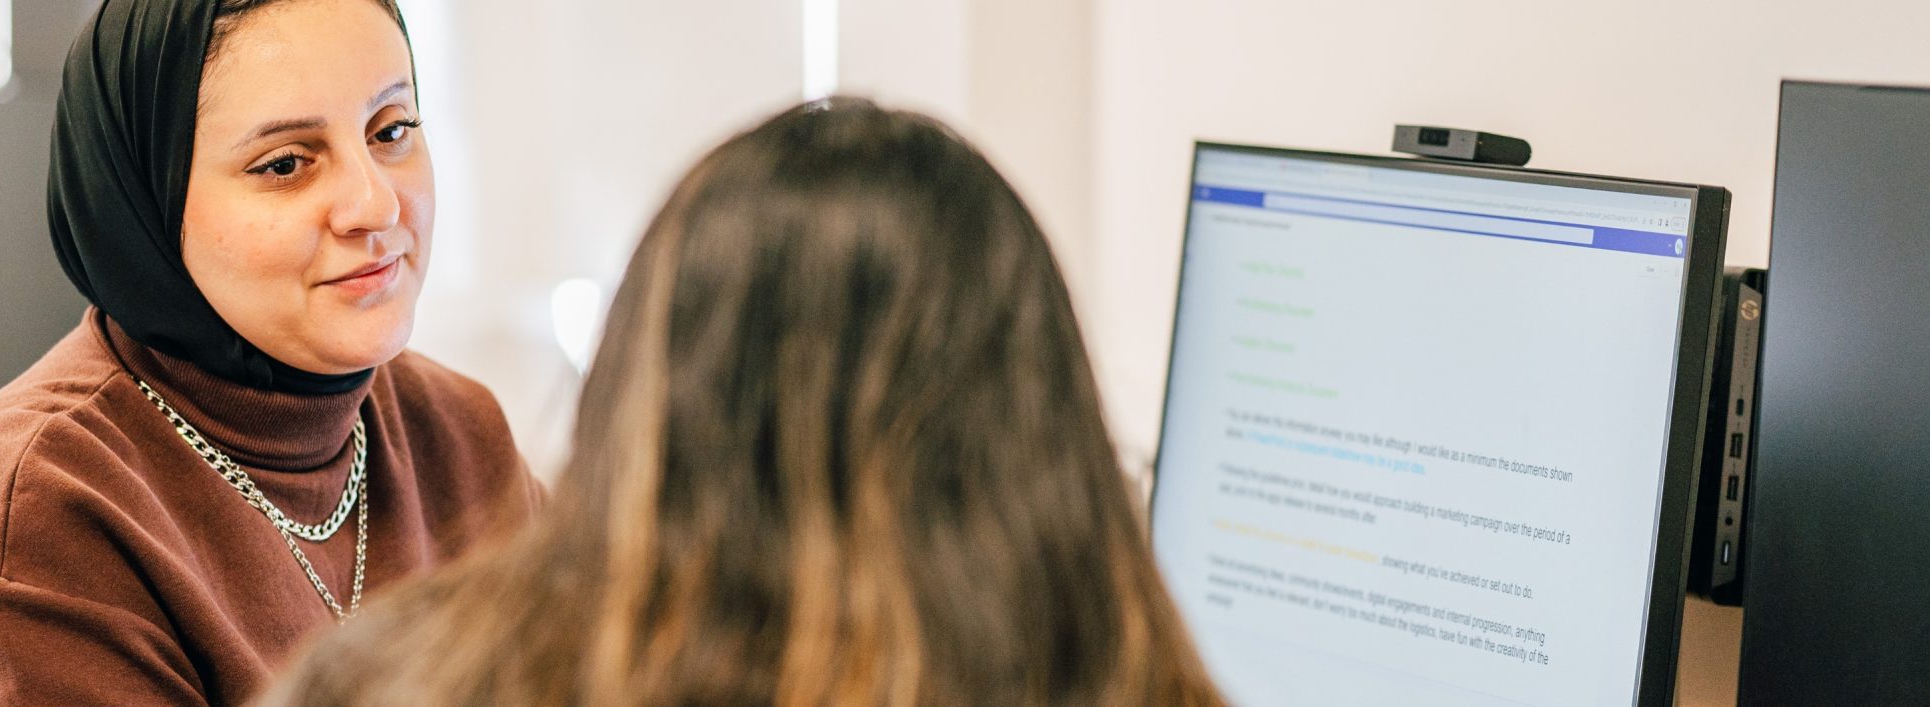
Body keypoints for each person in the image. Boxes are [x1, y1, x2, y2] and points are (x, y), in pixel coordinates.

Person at [260, 98, 1227, 706]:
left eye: (393, 132)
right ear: (1046, 429)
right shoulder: (1126, 668)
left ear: (640, 393)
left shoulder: (379, 680)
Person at [0, 0, 539, 703]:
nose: (376, 204)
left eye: (391, 130)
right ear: (143, 204)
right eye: (286, 163)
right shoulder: (27, 528)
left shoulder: (456, 431)